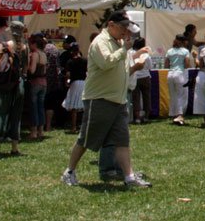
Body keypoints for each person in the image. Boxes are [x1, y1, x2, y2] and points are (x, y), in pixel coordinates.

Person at [61, 10, 152, 188]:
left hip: (117, 99)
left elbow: (122, 67)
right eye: (123, 28)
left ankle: (129, 177)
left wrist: (132, 56)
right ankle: (69, 171)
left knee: (121, 140)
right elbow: (106, 63)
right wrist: (124, 50)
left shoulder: (117, 42)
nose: (126, 33)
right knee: (86, 138)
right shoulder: (100, 42)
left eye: (127, 29)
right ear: (111, 25)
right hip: (100, 98)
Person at [0, 20, 30, 156]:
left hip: (4, 84)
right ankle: (14, 147)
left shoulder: (5, 46)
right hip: (19, 84)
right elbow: (26, 68)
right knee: (16, 116)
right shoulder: (25, 47)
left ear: (11, 31)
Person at [165, 34, 195, 126]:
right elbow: (186, 64)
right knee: (181, 95)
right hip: (180, 74)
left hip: (170, 74)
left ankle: (174, 115)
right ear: (183, 42)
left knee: (173, 95)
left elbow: (166, 65)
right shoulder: (185, 51)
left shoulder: (169, 51)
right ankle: (180, 115)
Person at [26, 33, 49, 140]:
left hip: (35, 82)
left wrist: (27, 66)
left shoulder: (35, 54)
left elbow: (32, 70)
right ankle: (41, 130)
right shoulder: (44, 54)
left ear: (34, 44)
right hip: (44, 83)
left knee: (34, 107)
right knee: (41, 107)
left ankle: (34, 132)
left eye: (30, 44)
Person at [62, 43, 88, 132]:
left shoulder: (70, 62)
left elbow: (68, 75)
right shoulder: (85, 60)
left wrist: (67, 82)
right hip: (84, 83)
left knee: (74, 107)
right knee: (83, 105)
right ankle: (83, 126)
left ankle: (73, 127)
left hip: (75, 83)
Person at [129, 37, 153, 124]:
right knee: (146, 97)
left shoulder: (131, 53)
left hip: (135, 77)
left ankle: (137, 117)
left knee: (136, 98)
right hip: (145, 77)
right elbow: (150, 67)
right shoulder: (146, 54)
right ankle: (146, 116)